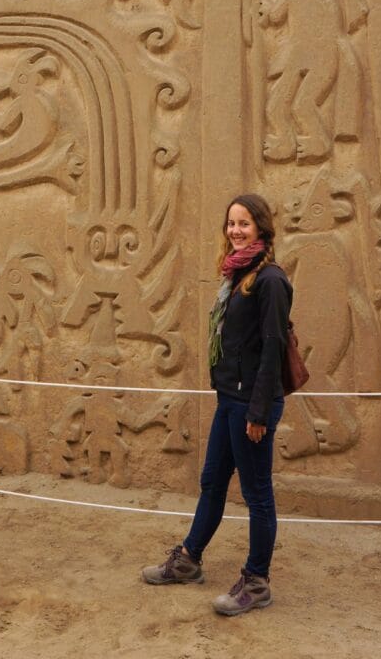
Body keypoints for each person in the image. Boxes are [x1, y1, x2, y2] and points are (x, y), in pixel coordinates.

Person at [142, 193, 292, 616]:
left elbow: (273, 349)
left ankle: (257, 581)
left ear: (261, 227)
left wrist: (259, 413)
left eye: (244, 223)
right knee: (211, 481)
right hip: (230, 398)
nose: (236, 231)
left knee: (257, 494)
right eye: (231, 223)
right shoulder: (235, 276)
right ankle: (189, 560)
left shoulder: (270, 280)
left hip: (251, 405)